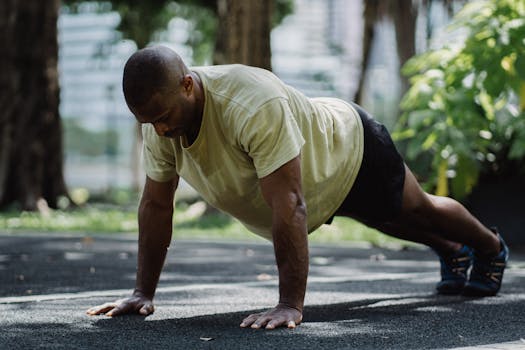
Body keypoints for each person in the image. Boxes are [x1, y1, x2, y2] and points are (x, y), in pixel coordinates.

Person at [86, 45, 509, 330]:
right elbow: (156, 206)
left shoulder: (250, 103)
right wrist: (143, 293)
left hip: (349, 145)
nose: (160, 129)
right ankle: (454, 252)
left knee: (416, 209)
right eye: (149, 123)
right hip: (319, 180)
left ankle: (490, 248)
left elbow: (289, 202)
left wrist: (290, 303)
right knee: (384, 219)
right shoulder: (159, 128)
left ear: (187, 85)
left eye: (163, 116)